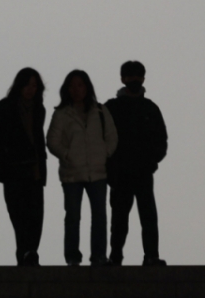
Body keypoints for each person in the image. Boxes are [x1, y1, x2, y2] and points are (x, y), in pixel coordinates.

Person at [46, 70, 117, 266]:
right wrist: (67, 155)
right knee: (72, 217)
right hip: (72, 174)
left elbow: (112, 137)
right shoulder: (61, 113)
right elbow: (52, 141)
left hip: (98, 172)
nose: (76, 89)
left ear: (87, 87)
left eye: (80, 85)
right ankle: (72, 257)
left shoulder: (101, 110)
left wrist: (104, 154)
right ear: (66, 89)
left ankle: (99, 256)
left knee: (100, 216)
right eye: (72, 85)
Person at [105, 61, 168, 266]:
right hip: (119, 172)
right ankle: (115, 256)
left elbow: (161, 140)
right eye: (130, 76)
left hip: (143, 172)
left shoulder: (150, 108)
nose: (134, 80)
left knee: (148, 216)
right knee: (119, 218)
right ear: (122, 79)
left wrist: (151, 162)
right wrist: (110, 166)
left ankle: (151, 255)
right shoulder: (111, 108)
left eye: (138, 76)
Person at [0, 68, 48, 266]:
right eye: (27, 85)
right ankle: (25, 254)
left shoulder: (39, 109)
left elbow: (39, 141)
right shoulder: (3, 108)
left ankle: (30, 253)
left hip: (34, 172)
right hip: (13, 172)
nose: (31, 90)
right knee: (19, 217)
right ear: (19, 85)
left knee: (36, 216)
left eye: (35, 86)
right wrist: (5, 164)